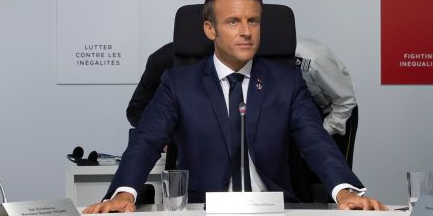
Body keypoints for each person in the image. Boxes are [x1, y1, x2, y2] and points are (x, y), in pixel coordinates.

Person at [86, 0, 384, 212]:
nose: (246, 31)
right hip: (201, 214)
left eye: (253, 21)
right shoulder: (179, 83)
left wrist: (345, 191)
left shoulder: (286, 82)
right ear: (210, 29)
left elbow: (316, 141)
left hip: (276, 215)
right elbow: (146, 140)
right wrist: (124, 193)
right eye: (233, 22)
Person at [126, 36, 358, 138]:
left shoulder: (309, 59)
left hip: (329, 111)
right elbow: (137, 112)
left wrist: (323, 133)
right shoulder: (165, 61)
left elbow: (344, 101)